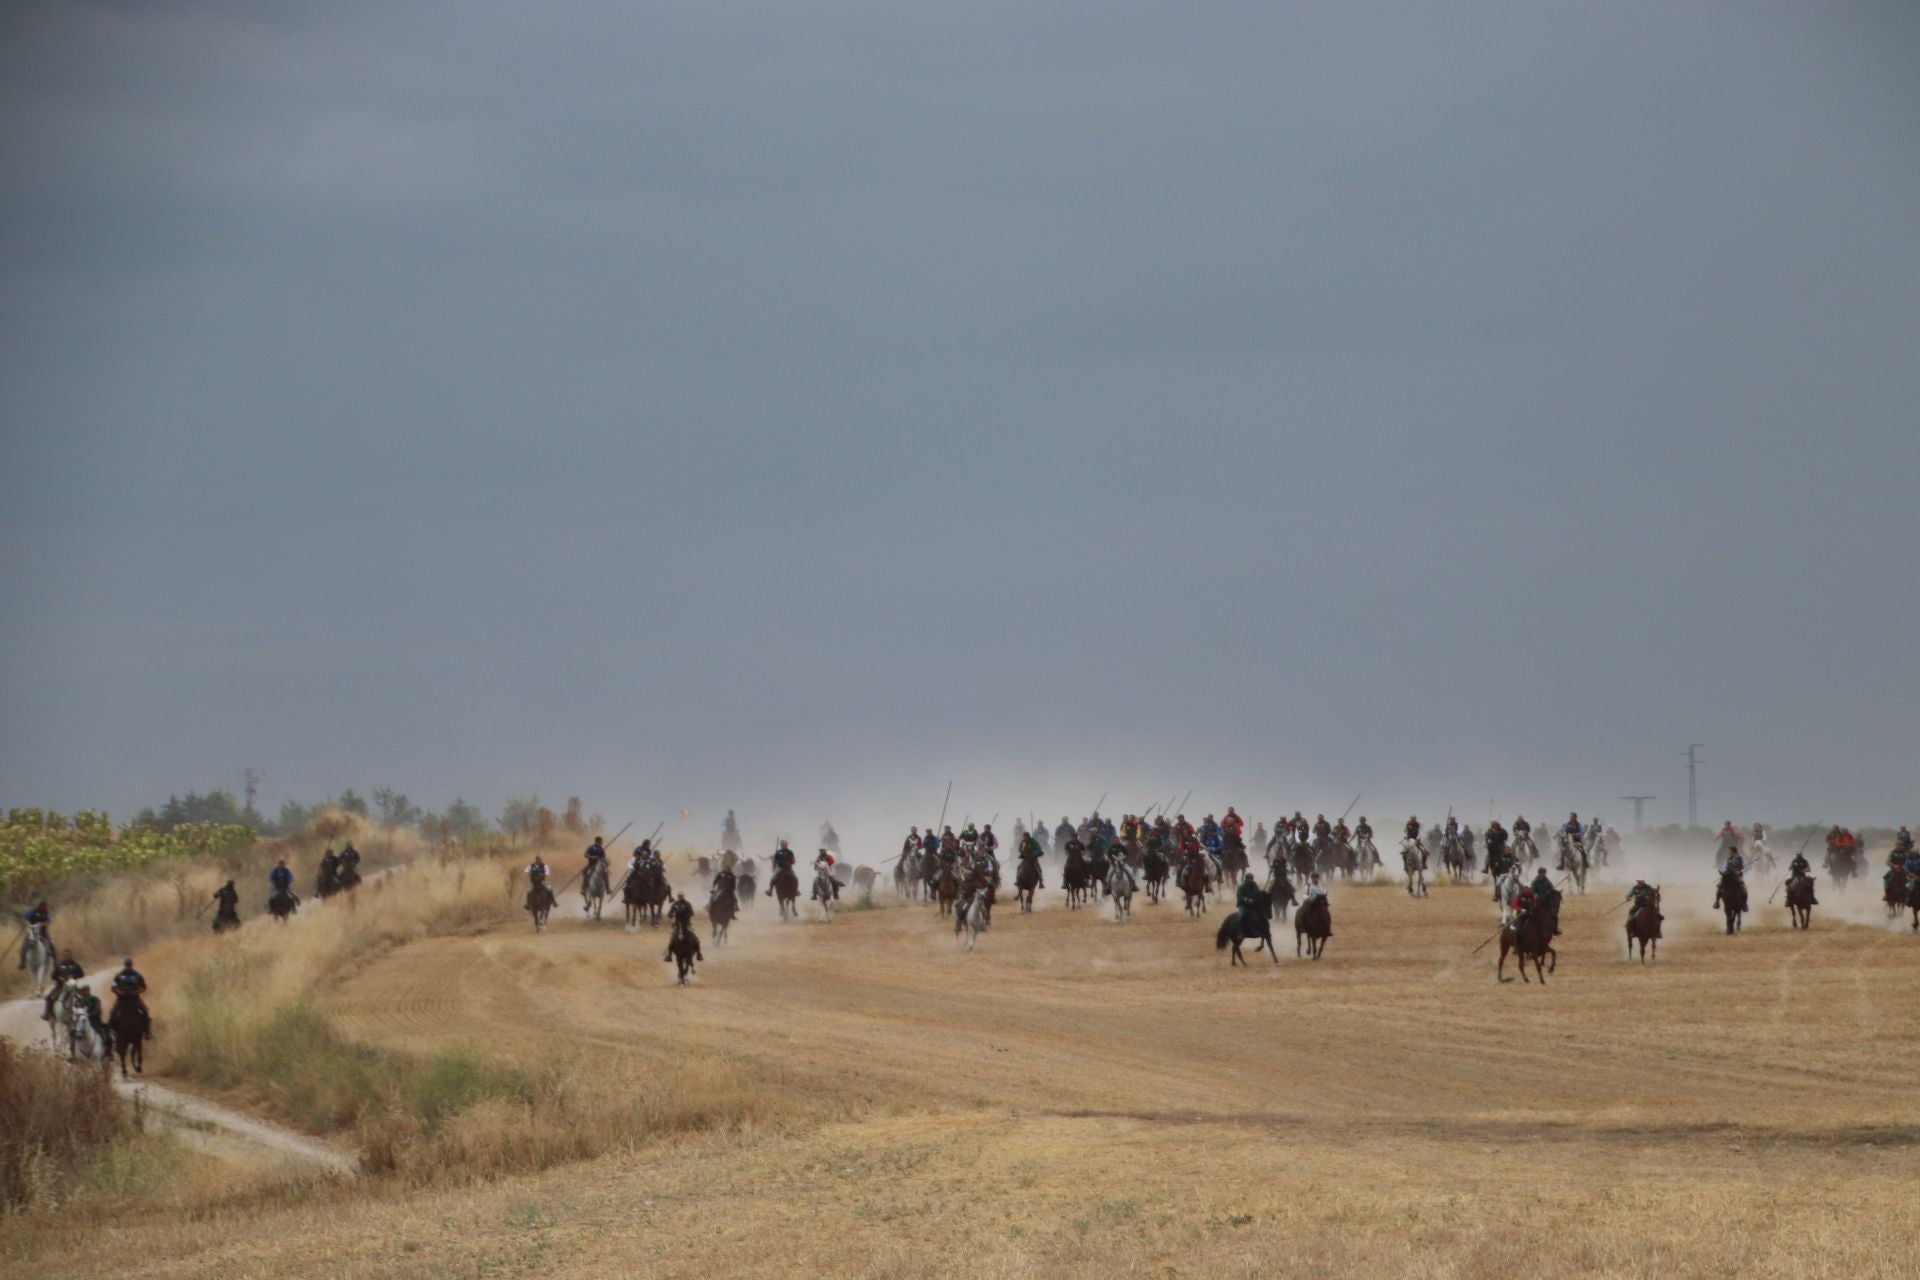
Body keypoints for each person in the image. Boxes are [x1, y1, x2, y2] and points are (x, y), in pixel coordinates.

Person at [111, 958, 150, 1038]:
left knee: (145, 1010)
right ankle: (112, 1032)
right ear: (124, 965)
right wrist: (119, 992)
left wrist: (136, 992)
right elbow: (113, 987)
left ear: (132, 965)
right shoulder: (118, 976)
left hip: (135, 999)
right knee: (112, 1012)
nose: (128, 966)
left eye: (129, 965)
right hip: (121, 999)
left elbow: (143, 987)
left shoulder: (137, 975)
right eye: (126, 965)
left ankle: (147, 1031)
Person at [42, 949, 84, 1022]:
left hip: (72, 986)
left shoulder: (75, 965)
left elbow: (82, 974)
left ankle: (82, 1014)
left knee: (81, 998)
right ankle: (48, 1013)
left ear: (71, 956)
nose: (67, 957)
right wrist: (59, 978)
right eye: (65, 955)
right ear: (63, 956)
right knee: (49, 998)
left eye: (68, 955)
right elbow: (53, 976)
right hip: (60, 986)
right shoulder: (58, 965)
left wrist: (74, 976)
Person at [18, 900, 51, 968]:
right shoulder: (33, 912)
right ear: (40, 906)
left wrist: (43, 924)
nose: (45, 908)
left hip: (42, 933)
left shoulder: (46, 913)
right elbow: (24, 917)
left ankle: (53, 961)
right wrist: (27, 923)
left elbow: (49, 920)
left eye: (46, 907)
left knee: (50, 945)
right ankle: (22, 962)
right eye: (44, 907)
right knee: (24, 946)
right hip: (32, 932)